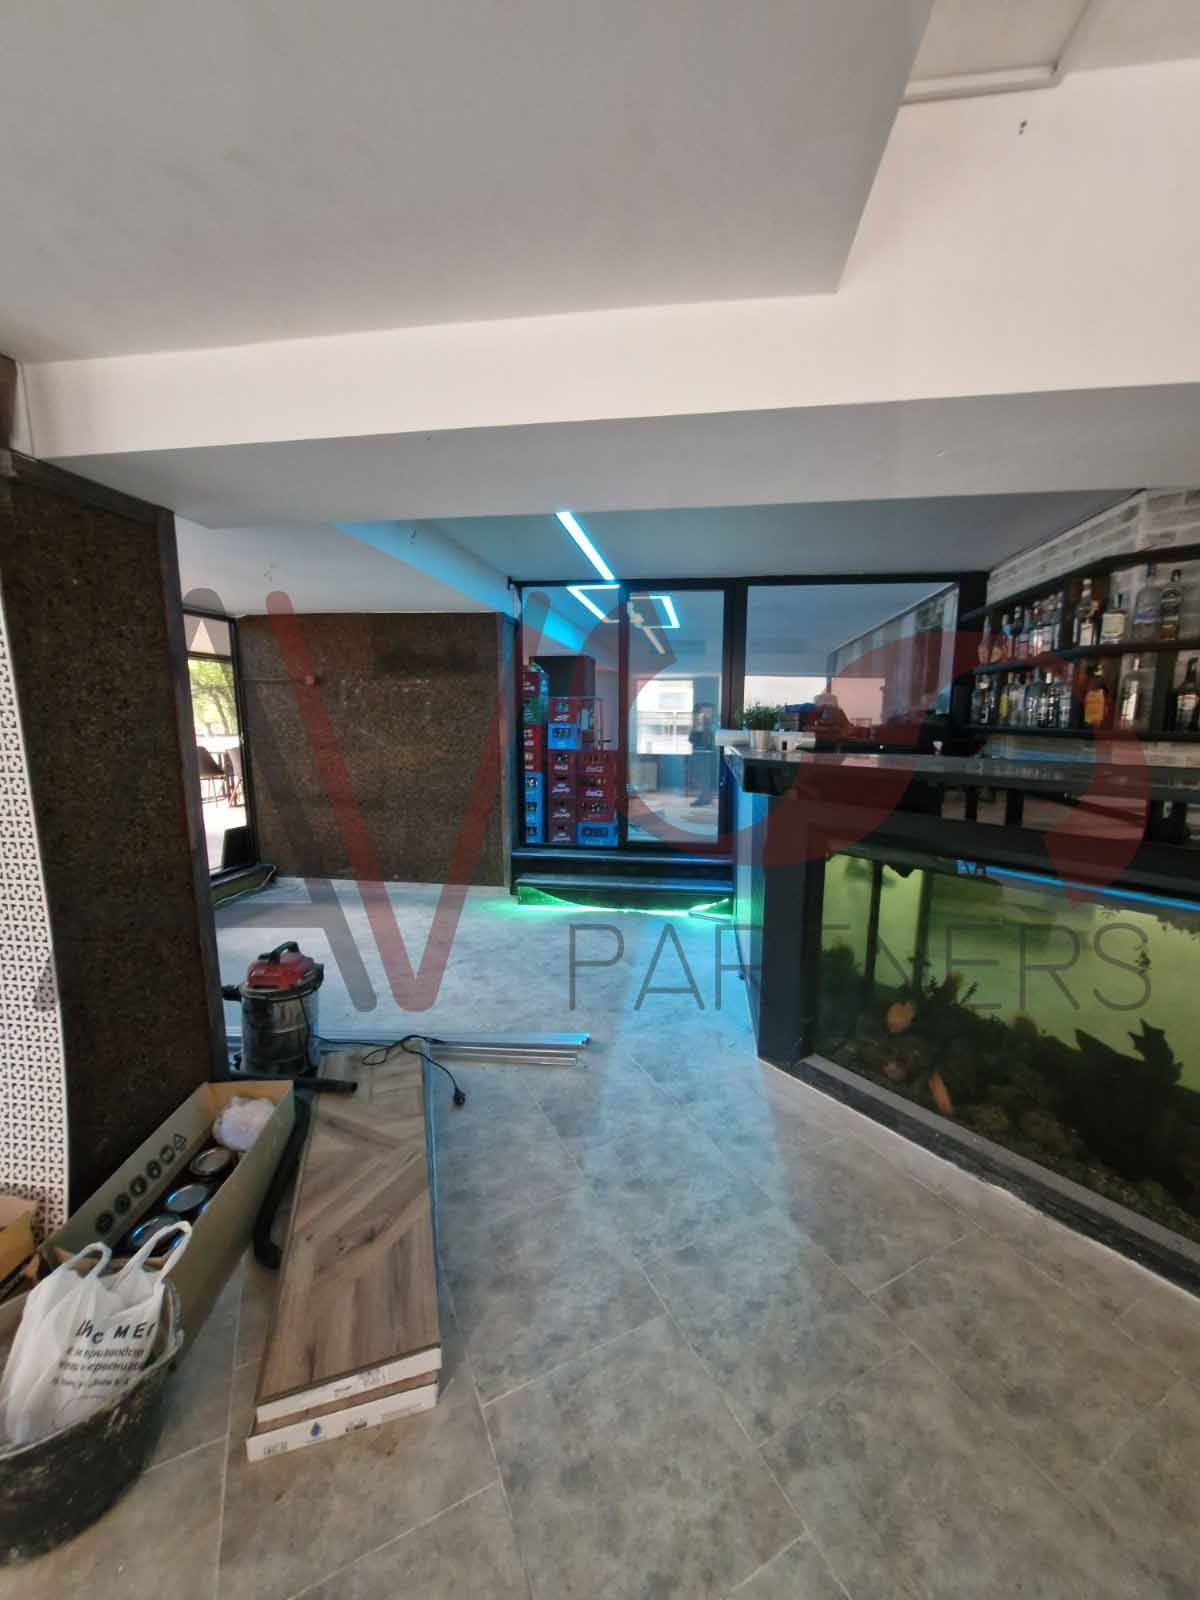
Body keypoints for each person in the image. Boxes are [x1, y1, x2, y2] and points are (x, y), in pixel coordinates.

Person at [688, 702, 717, 806]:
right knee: (704, 777)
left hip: (702, 753)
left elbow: (694, 738)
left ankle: (704, 798)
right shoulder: (705, 722)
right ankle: (706, 797)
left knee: (702, 777)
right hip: (703, 753)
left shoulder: (701, 722)